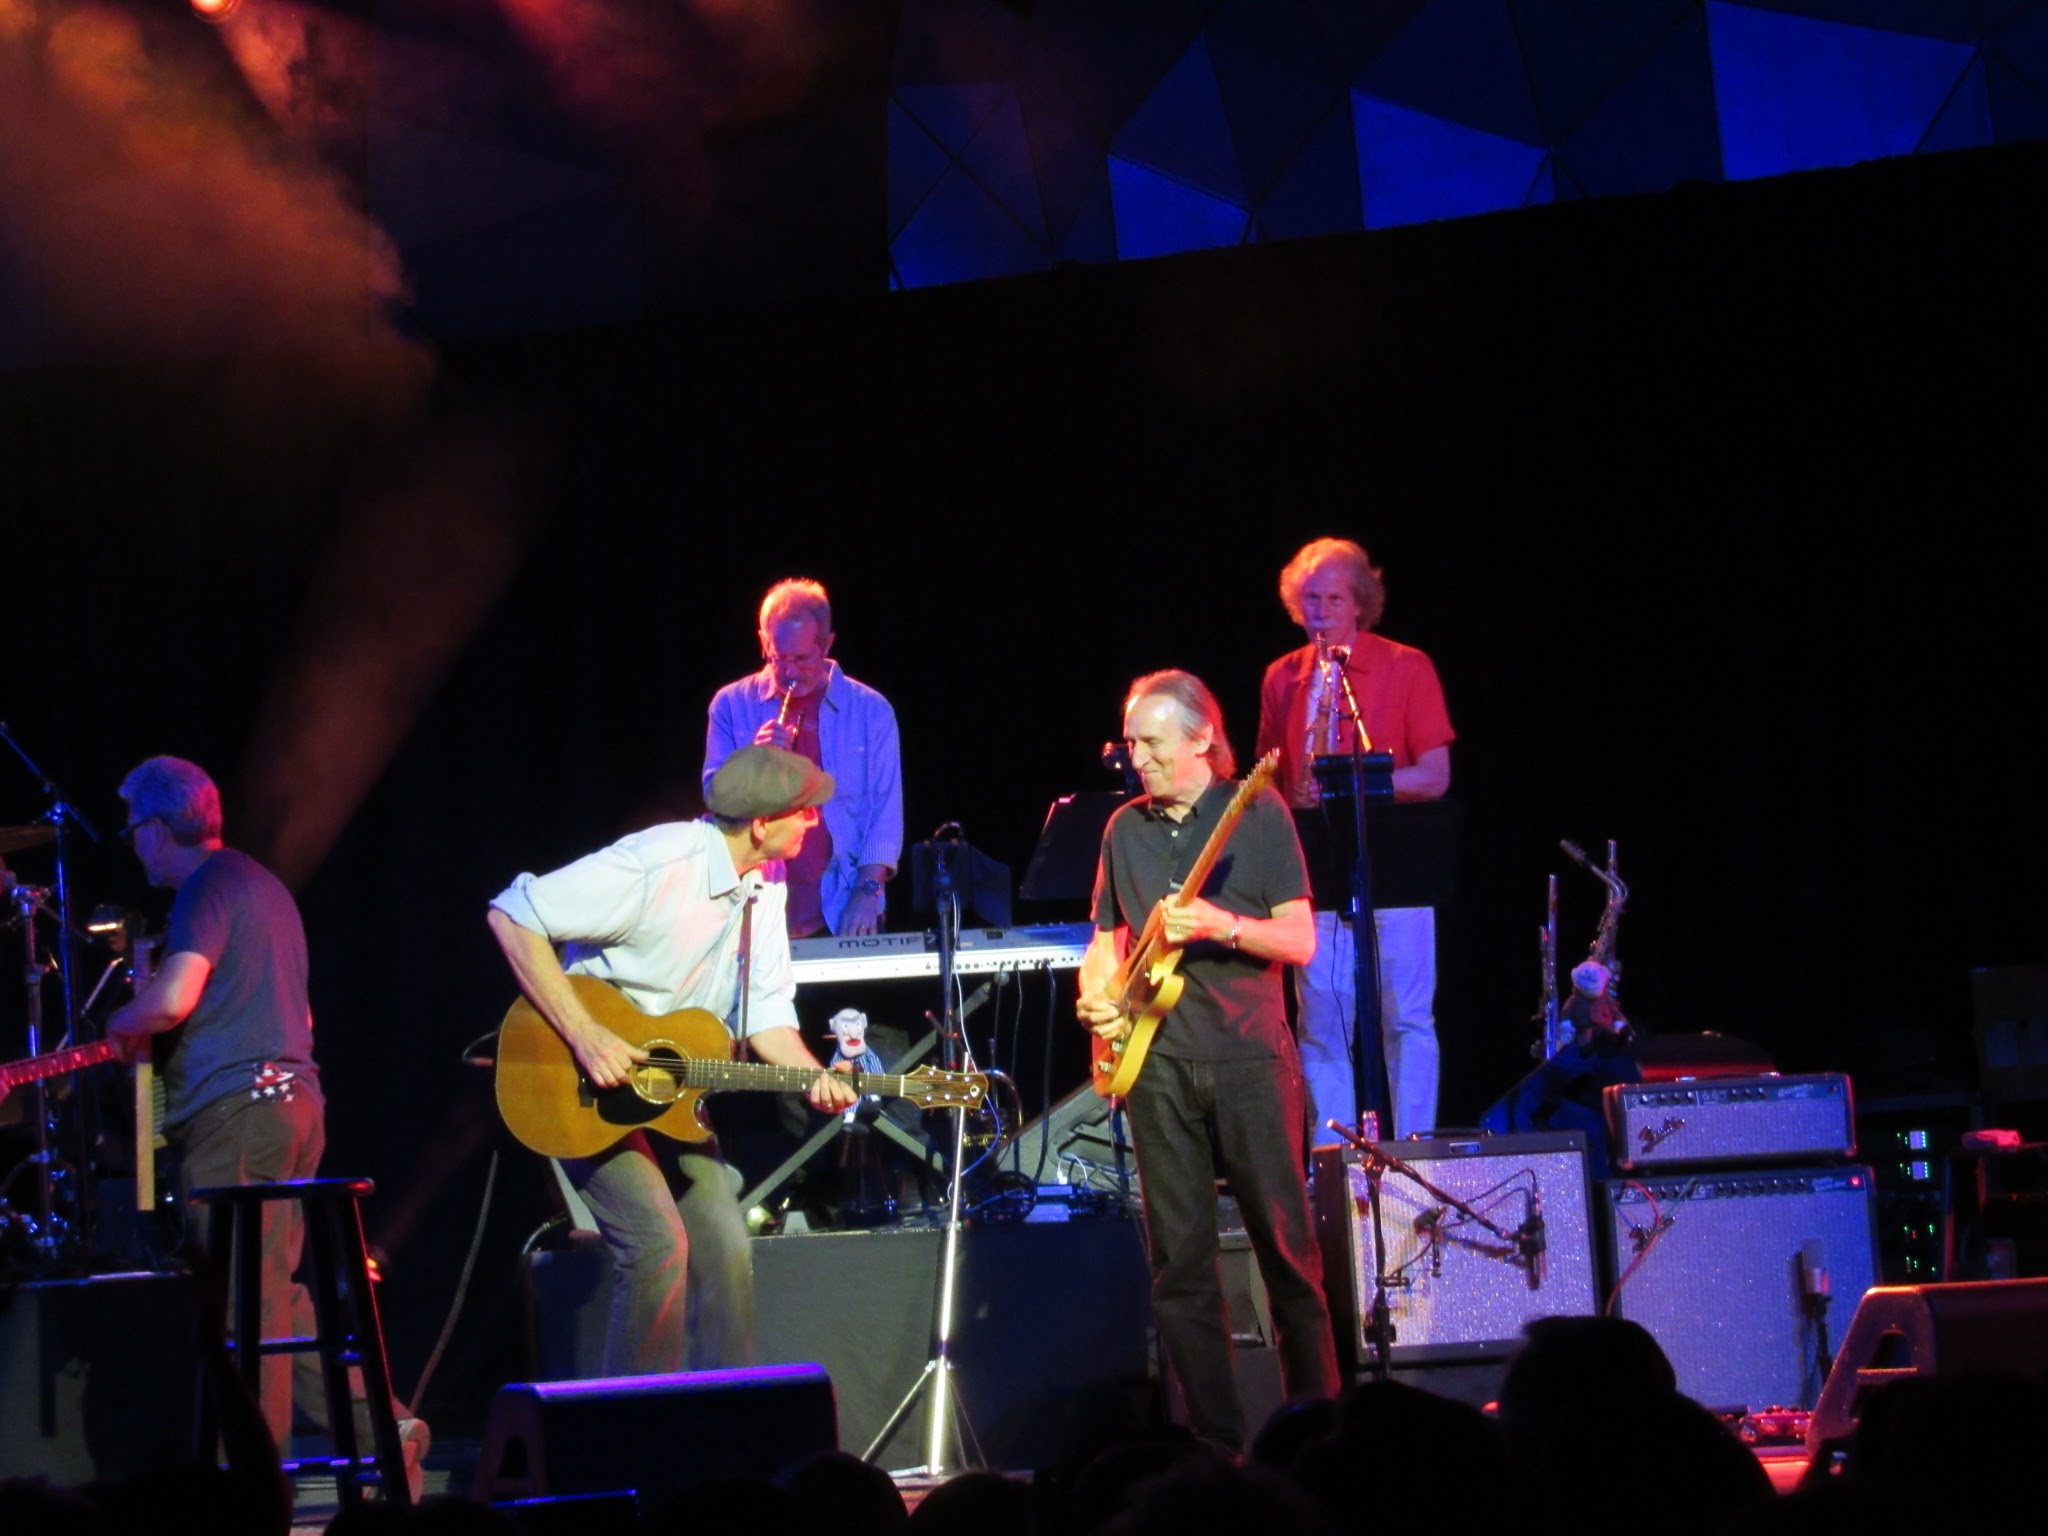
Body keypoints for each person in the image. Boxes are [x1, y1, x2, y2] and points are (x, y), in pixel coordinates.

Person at [488, 744, 859, 1374]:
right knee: (657, 1246)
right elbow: (513, 914)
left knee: (726, 1248)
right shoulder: (658, 862)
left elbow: (766, 1014)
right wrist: (586, 1034)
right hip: (577, 1082)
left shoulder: (766, 887)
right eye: (804, 811)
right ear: (762, 824)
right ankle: (636, 1422)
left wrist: (816, 1078)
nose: (813, 821)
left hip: (672, 1094)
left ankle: (723, 1414)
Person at [1077, 671, 1341, 1453]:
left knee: (1286, 1252)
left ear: (1202, 740)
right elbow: (1104, 943)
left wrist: (1222, 925)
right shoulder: (1123, 828)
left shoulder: (1257, 811)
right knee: (1180, 1269)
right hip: (1156, 1064)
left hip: (1249, 1057)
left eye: (1153, 743)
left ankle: (1317, 1437)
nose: (1138, 759)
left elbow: (1299, 939)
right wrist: (1096, 1000)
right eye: (1131, 744)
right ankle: (1215, 1446)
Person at [101, 756, 373, 1461]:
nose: (133, 844)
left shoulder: (207, 886)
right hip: (292, 1105)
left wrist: (121, 1021)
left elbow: (170, 1001)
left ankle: (252, 1481)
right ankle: (386, 1430)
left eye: (133, 829)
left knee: (238, 1304)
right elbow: (302, 1018)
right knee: (271, 1297)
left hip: (241, 1117)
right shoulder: (264, 887)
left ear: (159, 828)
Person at [1255, 537, 1454, 1142]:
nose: (1319, 611)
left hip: (1397, 865)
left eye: (1334, 599)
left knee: (1406, 1019)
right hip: (1315, 869)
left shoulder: (1407, 665)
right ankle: (1333, 1157)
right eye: (1310, 599)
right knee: (1320, 1022)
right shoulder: (1282, 676)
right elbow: (1271, 782)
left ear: (1360, 602)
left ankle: (1414, 1153)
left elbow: (1435, 775)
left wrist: (1356, 786)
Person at [704, 578, 902, 939]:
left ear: (826, 644)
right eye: (779, 658)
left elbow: (885, 813)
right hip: (753, 907)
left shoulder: (871, 711)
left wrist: (867, 893)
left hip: (843, 906)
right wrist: (752, 763)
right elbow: (715, 803)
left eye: (802, 659)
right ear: (764, 641)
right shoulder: (731, 705)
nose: (790, 673)